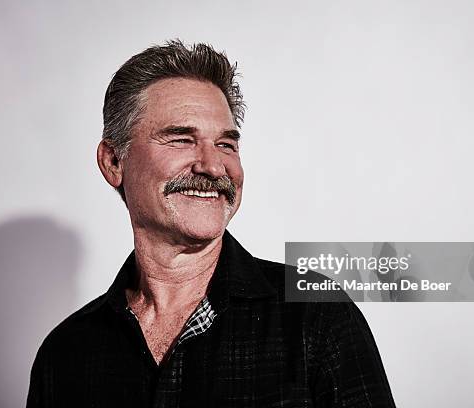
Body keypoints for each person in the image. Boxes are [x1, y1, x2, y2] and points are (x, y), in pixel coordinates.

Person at [26, 40, 396, 407]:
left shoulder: (317, 316)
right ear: (113, 162)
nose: (213, 166)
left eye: (226, 144)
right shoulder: (65, 354)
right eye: (181, 139)